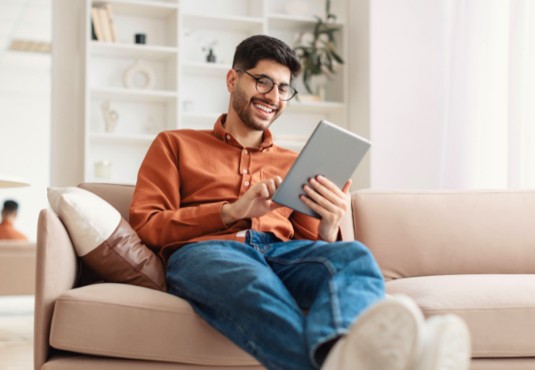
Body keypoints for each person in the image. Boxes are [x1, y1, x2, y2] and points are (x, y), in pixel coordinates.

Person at [129, 35, 471, 370]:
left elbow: (308, 248)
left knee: (354, 256)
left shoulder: (297, 164)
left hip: (278, 253)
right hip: (207, 252)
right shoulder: (174, 144)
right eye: (263, 82)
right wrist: (230, 212)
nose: (273, 97)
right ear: (233, 80)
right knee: (250, 280)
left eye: (283, 89)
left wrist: (330, 225)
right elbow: (147, 225)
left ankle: (338, 357)